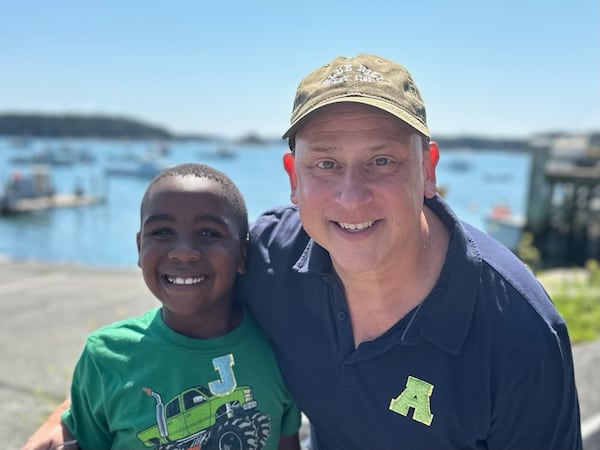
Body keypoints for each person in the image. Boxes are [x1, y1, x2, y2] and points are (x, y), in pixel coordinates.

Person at [23, 54, 582, 449]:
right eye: (326, 163)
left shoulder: (520, 332)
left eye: (382, 161)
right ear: (293, 177)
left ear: (428, 169)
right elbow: (175, 323)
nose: (350, 193)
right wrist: (68, 420)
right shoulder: (266, 257)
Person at [23, 163, 300, 450]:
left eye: (208, 233)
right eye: (163, 231)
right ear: (139, 247)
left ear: (242, 254)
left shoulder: (276, 348)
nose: (183, 251)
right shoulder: (106, 355)